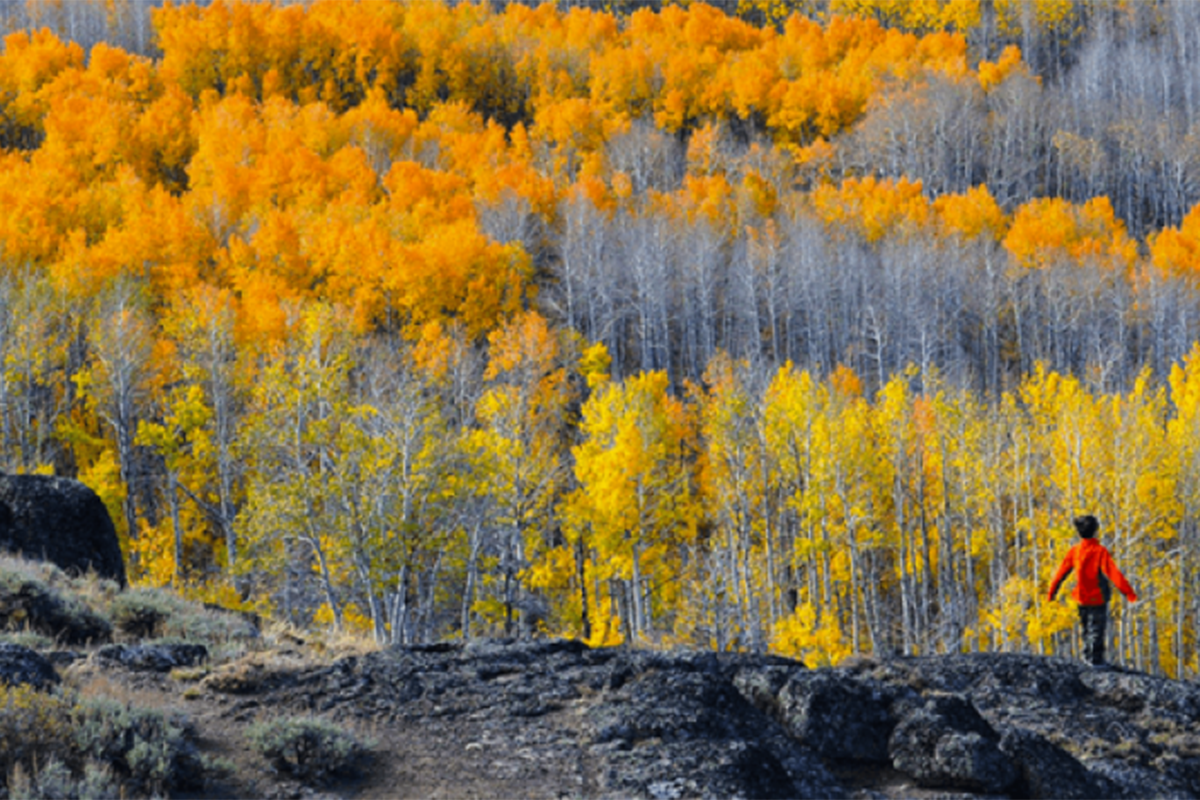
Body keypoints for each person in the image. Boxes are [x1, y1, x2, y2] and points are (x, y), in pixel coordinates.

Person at [1047, 515, 1138, 667]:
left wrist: (1052, 592)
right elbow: (1113, 573)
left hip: (1081, 598)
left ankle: (1087, 657)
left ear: (1079, 533)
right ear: (1095, 531)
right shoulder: (1099, 551)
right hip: (1098, 598)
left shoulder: (1075, 551)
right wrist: (1129, 593)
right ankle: (1095, 661)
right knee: (1096, 630)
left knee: (1086, 629)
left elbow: (1061, 573)